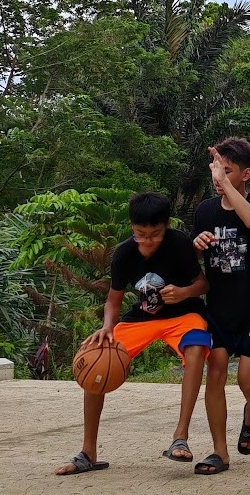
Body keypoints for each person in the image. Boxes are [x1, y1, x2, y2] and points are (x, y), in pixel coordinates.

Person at [55, 192, 211, 475]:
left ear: (167, 225)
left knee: (196, 348)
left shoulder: (180, 244)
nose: (148, 241)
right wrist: (106, 328)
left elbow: (203, 284)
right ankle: (88, 453)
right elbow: (113, 301)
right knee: (96, 359)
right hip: (142, 318)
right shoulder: (124, 253)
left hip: (184, 315)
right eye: (141, 234)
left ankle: (180, 436)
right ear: (132, 228)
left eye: (155, 234)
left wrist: (184, 292)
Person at [192, 136, 250, 475]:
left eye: (226, 171)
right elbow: (192, 258)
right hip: (218, 312)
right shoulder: (205, 210)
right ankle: (219, 452)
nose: (218, 177)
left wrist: (226, 186)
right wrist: (196, 244)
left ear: (246, 174)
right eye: (215, 170)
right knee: (214, 375)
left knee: (246, 380)